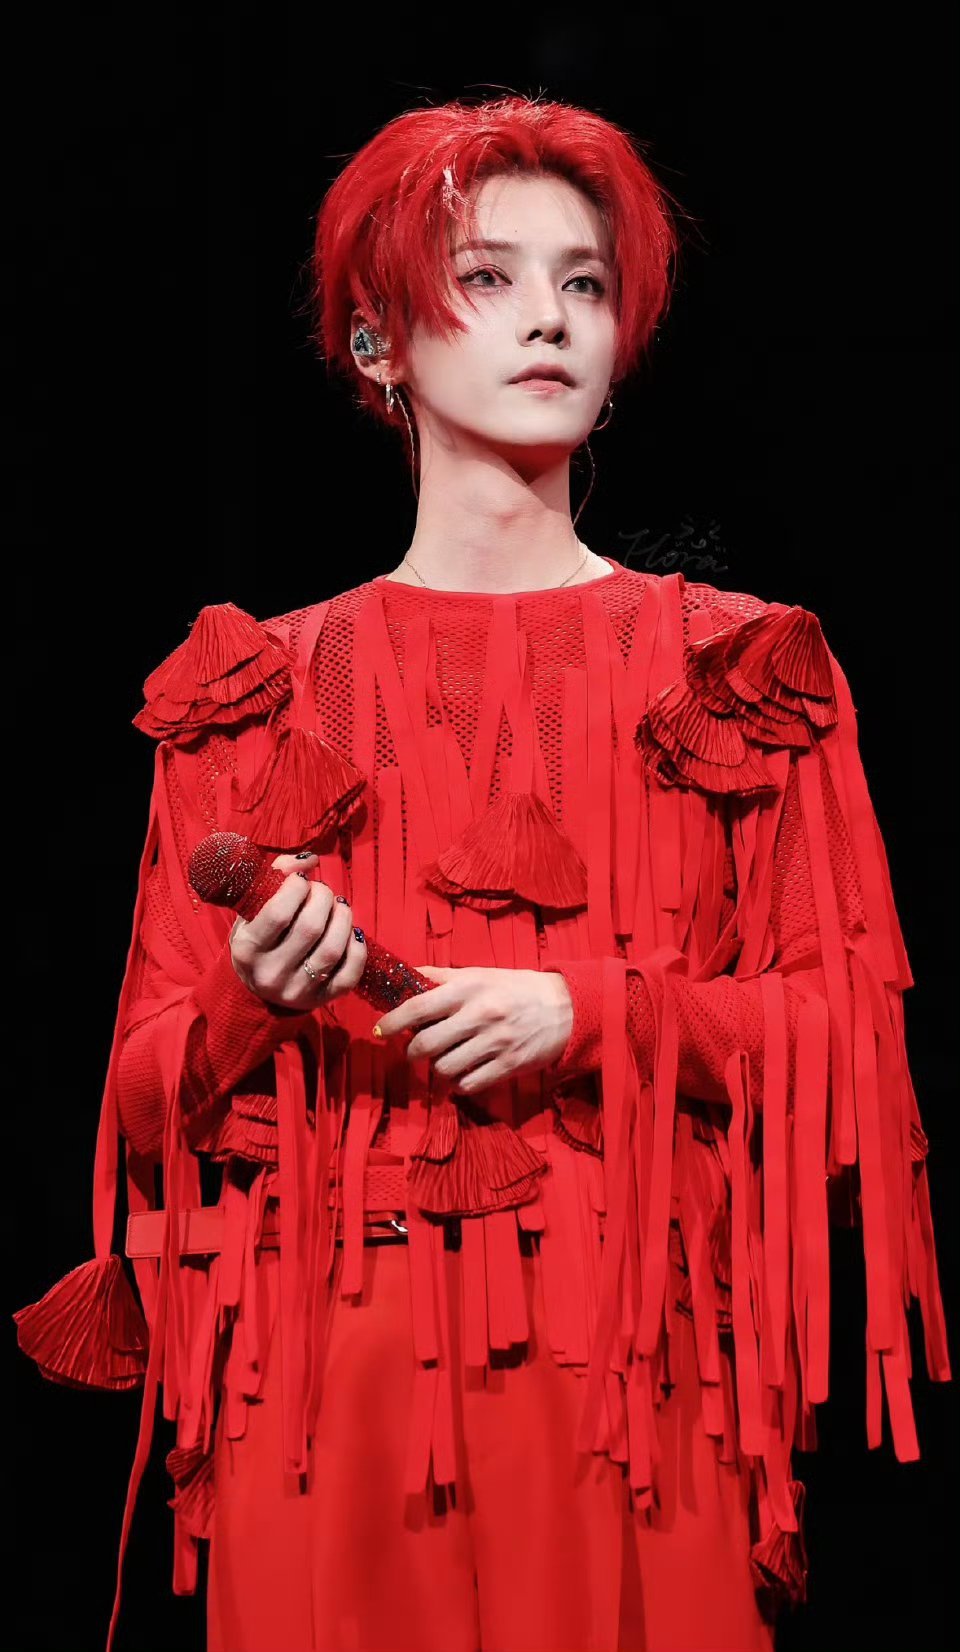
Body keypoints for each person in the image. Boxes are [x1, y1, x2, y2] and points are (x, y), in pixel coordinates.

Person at [14, 93, 951, 1652]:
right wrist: (251, 999)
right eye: (490, 279)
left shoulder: (743, 672)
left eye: (585, 283)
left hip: (634, 1372)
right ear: (377, 342)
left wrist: (595, 1012)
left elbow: (853, 1044)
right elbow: (137, 1096)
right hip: (317, 1385)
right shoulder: (254, 690)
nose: (551, 319)